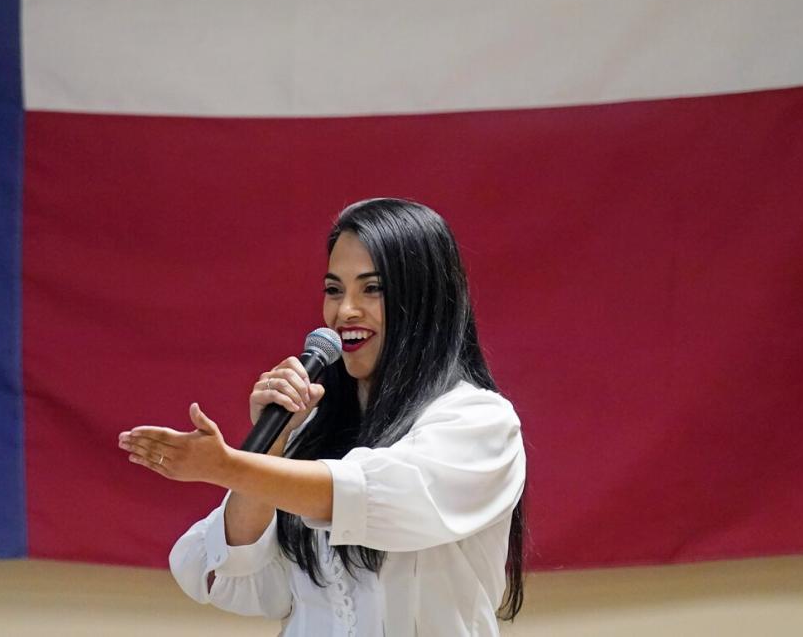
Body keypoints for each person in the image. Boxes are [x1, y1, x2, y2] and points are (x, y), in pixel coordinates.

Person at [118, 198, 526, 635]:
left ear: (424, 299)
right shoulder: (315, 431)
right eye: (334, 290)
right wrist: (273, 439)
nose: (344, 311)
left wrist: (227, 465)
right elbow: (243, 573)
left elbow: (368, 496)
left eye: (372, 289)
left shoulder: (480, 422)